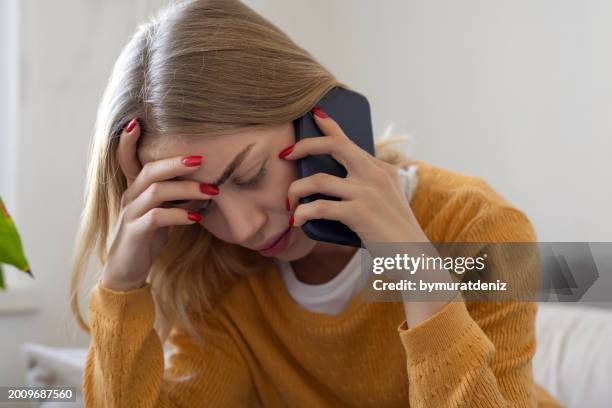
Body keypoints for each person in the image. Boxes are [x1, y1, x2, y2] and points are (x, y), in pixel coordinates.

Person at [70, 0, 561, 406]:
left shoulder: (479, 225)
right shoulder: (224, 278)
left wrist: (416, 266)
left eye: (250, 172)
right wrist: (122, 282)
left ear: (316, 113)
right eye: (201, 207)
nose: (244, 229)